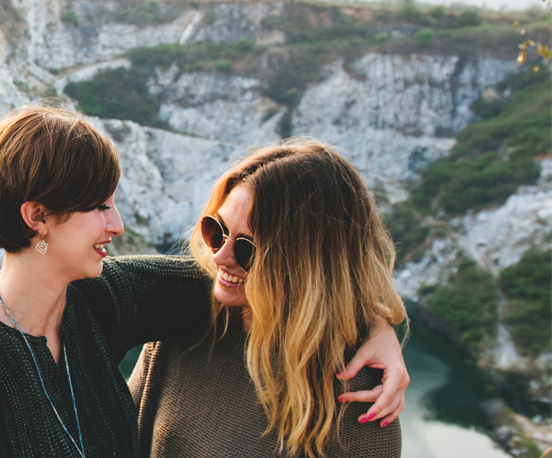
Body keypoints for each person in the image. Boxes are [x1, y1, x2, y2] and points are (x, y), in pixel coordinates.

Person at [0, 105, 408, 457]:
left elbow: (285, 281)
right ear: (38, 217)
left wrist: (376, 323)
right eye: (99, 206)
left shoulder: (102, 303)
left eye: (112, 203)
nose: (116, 224)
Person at [129, 140, 408, 458]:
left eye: (247, 248)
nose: (220, 256)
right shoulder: (188, 321)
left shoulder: (358, 395)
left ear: (306, 266)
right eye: (216, 230)